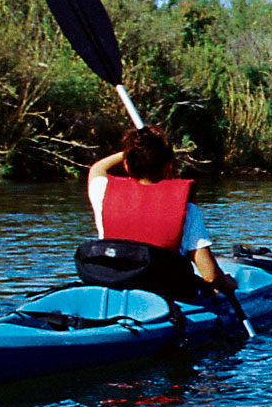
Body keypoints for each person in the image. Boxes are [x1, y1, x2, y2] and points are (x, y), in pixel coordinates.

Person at [85, 126, 228, 294]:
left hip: (116, 289)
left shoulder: (103, 193)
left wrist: (134, 150)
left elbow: (97, 168)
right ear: (168, 166)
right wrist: (229, 284)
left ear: (127, 165)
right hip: (165, 294)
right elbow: (210, 276)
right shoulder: (186, 210)